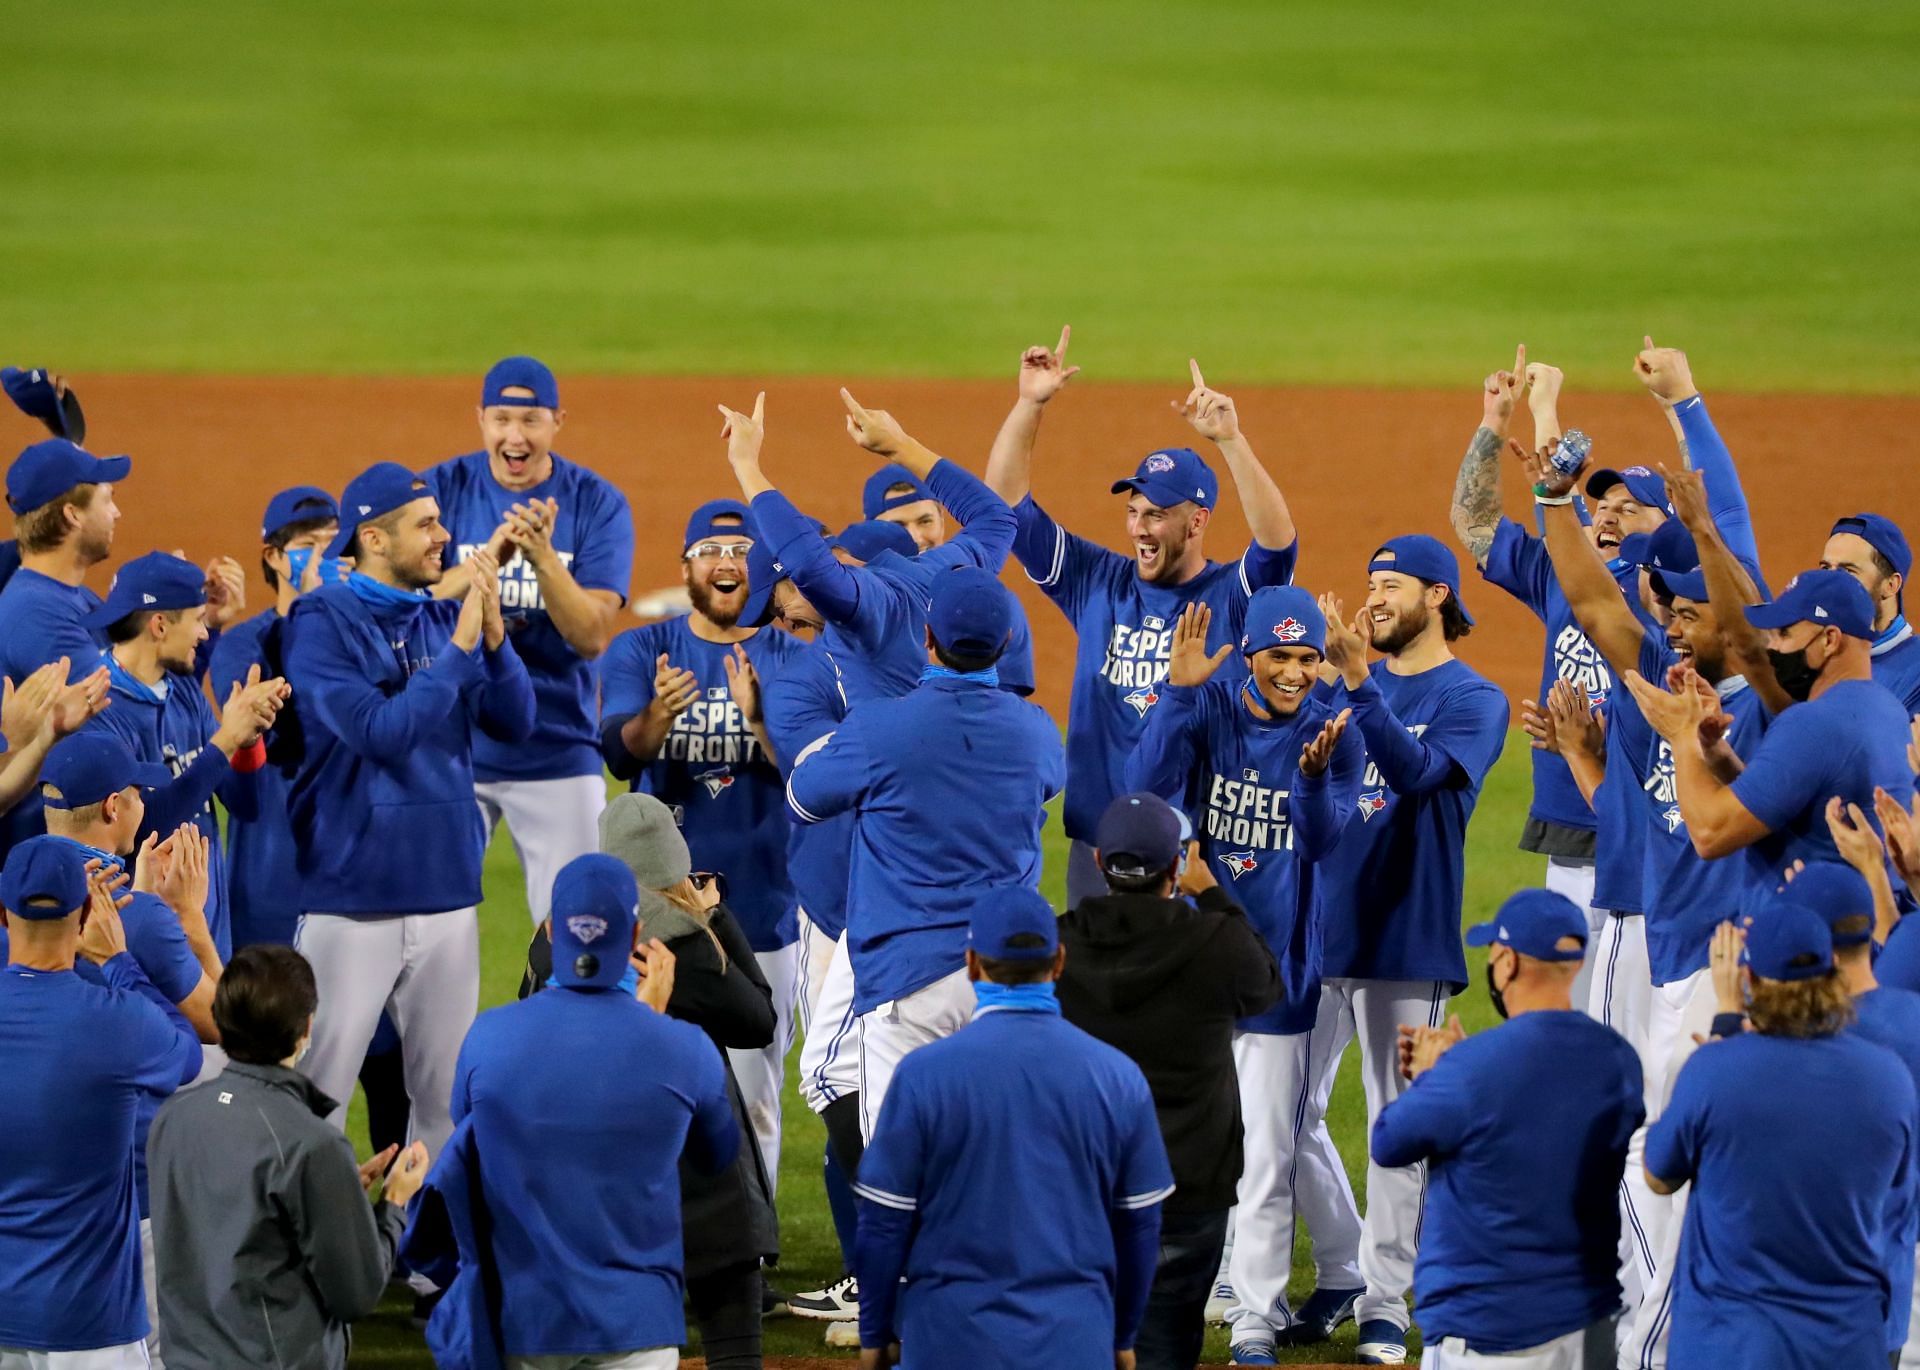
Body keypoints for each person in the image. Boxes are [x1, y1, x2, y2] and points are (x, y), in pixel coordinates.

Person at [1123, 587, 1368, 1359]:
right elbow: (1143, 788)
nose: (1294, 672)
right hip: (1192, 969)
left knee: (1265, 1160)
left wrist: (1312, 778)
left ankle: (1256, 1317)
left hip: (1277, 978)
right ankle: (1173, 1294)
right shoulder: (1209, 710)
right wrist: (1177, 692)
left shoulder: (1336, 728)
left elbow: (1324, 841)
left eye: (1307, 657)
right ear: (1251, 655)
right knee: (1177, 1150)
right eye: (1279, 657)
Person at [984, 333, 1301, 905]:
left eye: (1155, 515)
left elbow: (1277, 544)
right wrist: (1030, 404)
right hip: (1097, 844)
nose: (1138, 528)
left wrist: (1231, 441)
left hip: (1188, 850)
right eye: (1133, 512)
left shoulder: (1231, 595)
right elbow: (1006, 507)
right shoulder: (1098, 580)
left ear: (1197, 522)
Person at [282, 460, 535, 1163]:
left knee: (443, 1100)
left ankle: (427, 1262)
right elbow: (380, 734)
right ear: (374, 538)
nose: (443, 538)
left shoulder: (439, 620)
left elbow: (516, 722)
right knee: (317, 1095)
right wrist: (459, 650)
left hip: (447, 893)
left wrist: (493, 642)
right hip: (351, 897)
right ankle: (307, 1262)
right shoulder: (320, 624)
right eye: (425, 526)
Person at [413, 853, 738, 1370]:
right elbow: (717, 1154)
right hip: (637, 1323)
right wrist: (645, 1024)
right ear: (634, 935)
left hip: (525, 1320)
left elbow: (469, 1133)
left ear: (549, 930)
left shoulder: (488, 1038)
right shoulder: (682, 1048)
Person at [786, 565, 1066, 1135]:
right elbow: (1047, 781)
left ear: (928, 639)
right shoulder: (1036, 731)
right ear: (1006, 643)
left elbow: (804, 799)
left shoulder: (879, 728)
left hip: (907, 976)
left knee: (901, 1171)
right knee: (985, 1152)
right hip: (1001, 972)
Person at [853, 886, 1174, 1369]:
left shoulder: (922, 1076)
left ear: (972, 963)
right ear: (1059, 961)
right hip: (1074, 1341)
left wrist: (875, 1333)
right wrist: (1123, 1335)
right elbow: (1141, 1226)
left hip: (949, 1341)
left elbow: (883, 1222)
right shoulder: (1116, 1076)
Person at [521, 792, 779, 1370]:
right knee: (730, 1307)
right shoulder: (689, 946)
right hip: (701, 1168)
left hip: (592, 1177)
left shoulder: (551, 941)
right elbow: (759, 1021)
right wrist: (715, 917)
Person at [601, 497, 803, 1189]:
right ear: (686, 566)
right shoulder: (642, 650)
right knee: (648, 1085)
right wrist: (659, 711)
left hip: (767, 908)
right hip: (661, 914)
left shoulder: (787, 653)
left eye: (742, 553)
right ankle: (656, 1231)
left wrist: (760, 720)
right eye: (711, 552)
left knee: (755, 1095)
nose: (726, 564)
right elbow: (622, 757)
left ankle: (754, 1244)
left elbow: (811, 775)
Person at [1373, 890, 1643, 1370]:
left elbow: (1390, 1142)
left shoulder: (1471, 1069)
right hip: (1587, 1324)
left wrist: (1438, 1074)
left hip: (1487, 1329)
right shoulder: (1617, 1061)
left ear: (1507, 962)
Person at [1057, 792, 1281, 1370]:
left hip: (1087, 1183)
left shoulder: (1060, 944)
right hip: (1188, 1186)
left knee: (1079, 1339)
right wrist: (1211, 894)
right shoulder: (1217, 942)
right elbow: (1267, 988)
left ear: (1101, 859)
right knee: (1164, 1346)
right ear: (1177, 866)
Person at [1645, 899, 1914, 1367]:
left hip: (1732, 1347)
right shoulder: (1887, 1077)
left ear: (1749, 982)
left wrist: (1726, 1026)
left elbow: (1658, 1176)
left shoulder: (1715, 1070)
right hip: (1845, 1345)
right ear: (1834, 969)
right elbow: (1894, 1185)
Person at [424, 355, 636, 926]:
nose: (514, 436)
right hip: (450, 746)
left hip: (557, 745)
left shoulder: (596, 503)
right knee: (424, 924)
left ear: (557, 422)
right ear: (481, 420)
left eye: (530, 420)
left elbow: (591, 636)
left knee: (578, 925)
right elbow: (411, 607)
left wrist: (543, 557)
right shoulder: (440, 491)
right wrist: (492, 556)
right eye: (501, 419)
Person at [146, 944, 429, 1370]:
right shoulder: (311, 1145)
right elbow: (357, 1293)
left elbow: (229, 1209)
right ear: (306, 1028)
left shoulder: (173, 1116)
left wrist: (326, 1191)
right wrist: (393, 1204)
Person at [0, 836, 203, 1366]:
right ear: (90, 910)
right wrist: (117, 960)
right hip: (90, 1324)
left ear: (2, 914)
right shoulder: (119, 1020)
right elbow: (187, 1053)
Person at [1625, 569, 1917, 891]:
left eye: (1784, 633)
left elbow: (1709, 834)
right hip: (1856, 919)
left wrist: (1681, 735)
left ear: (1830, 640)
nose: (1773, 646)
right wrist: (1718, 755)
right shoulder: (1887, 708)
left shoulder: (1815, 723)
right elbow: (1788, 804)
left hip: (1811, 930)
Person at [82, 550, 288, 957]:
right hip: (144, 938)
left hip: (207, 927)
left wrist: (247, 743)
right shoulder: (101, 710)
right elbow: (141, 831)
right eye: (197, 620)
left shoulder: (184, 692)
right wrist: (225, 741)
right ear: (159, 624)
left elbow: (246, 805)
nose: (205, 633)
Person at [209, 484, 342, 950]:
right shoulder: (245, 644)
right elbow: (266, 725)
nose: (326, 557)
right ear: (275, 556)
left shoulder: (369, 635)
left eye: (333, 543)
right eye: (310, 546)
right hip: (272, 880)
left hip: (357, 882)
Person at [0, 437, 128, 853]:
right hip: (36, 861)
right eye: (106, 500)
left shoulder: (74, 599)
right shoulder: (36, 612)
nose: (116, 512)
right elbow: (122, 727)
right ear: (72, 515)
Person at [1821, 513, 1920, 711]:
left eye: (1848, 571)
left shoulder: (1915, 672)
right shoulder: (1811, 652)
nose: (1829, 584)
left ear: (1891, 585)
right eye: (1825, 568)